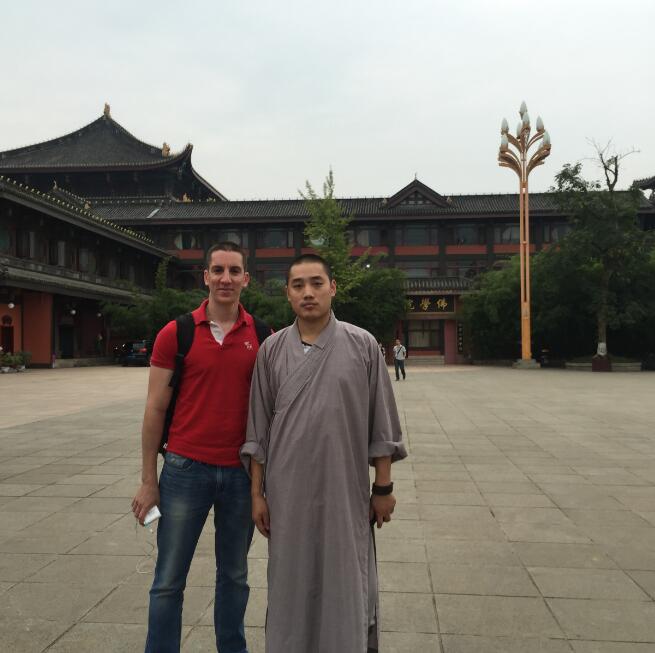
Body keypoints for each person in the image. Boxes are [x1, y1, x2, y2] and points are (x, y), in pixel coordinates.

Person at [241, 253, 407, 653]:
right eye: (298, 285)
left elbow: (380, 424)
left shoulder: (363, 345)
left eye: (317, 283)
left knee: (345, 578)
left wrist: (382, 488)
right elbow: (258, 432)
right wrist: (257, 494)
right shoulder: (271, 351)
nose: (308, 293)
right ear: (287, 294)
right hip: (288, 493)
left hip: (344, 490)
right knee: (290, 579)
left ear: (332, 288)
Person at [132, 242, 266, 653]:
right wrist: (148, 482)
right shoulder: (178, 333)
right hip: (184, 470)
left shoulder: (263, 336)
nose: (226, 278)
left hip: (240, 475)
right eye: (218, 270)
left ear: (246, 279)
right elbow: (155, 409)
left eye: (234, 271)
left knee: (235, 576)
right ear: (205, 276)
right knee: (169, 578)